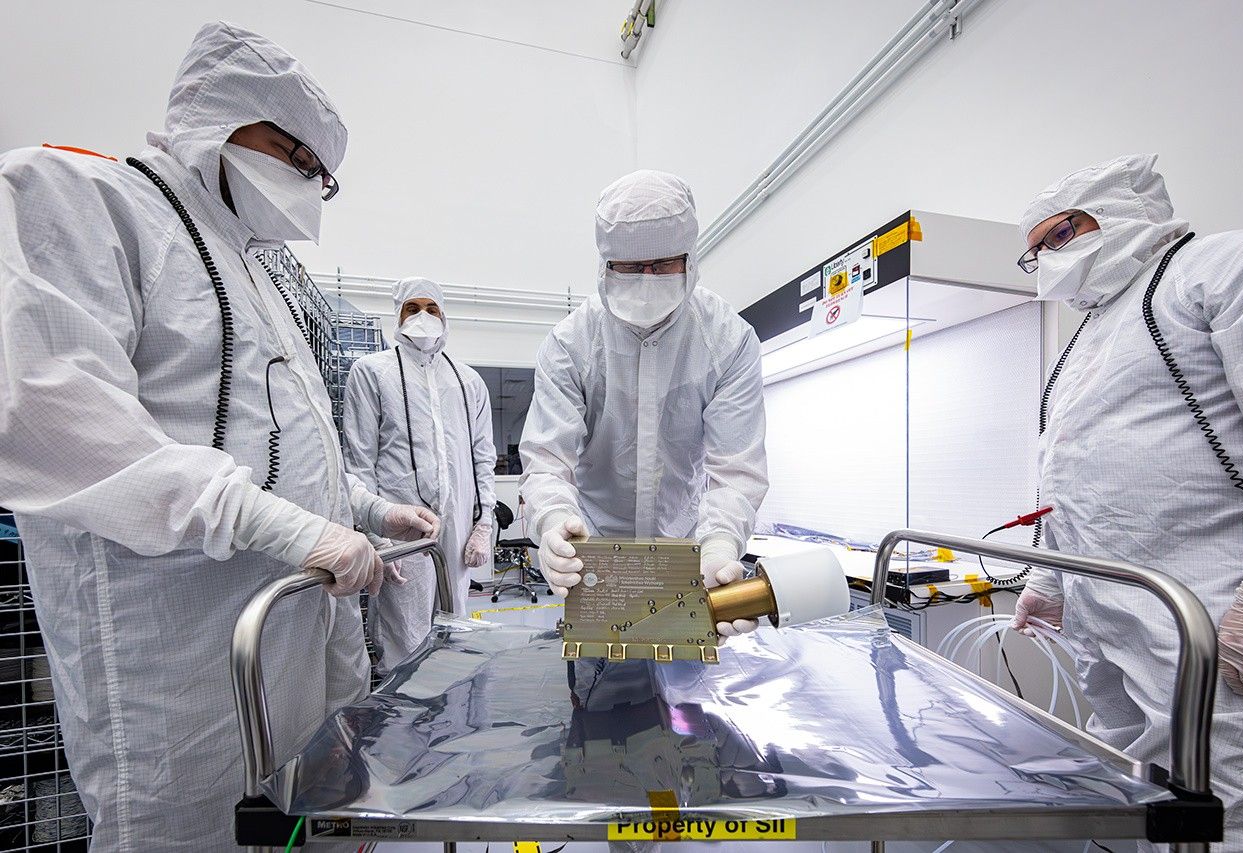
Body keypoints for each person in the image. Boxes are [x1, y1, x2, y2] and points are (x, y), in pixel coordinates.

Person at [0, 22, 437, 851]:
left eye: (322, 175)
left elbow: (287, 446)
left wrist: (371, 511)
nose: (308, 183)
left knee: (307, 817)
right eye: (297, 156)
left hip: (292, 640)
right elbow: (54, 419)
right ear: (223, 116)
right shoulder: (80, 198)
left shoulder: (254, 267)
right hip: (181, 669)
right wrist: (292, 531)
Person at [1010, 154, 1243, 851]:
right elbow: (1070, 470)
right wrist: (1049, 578)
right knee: (1136, 798)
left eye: (1058, 236)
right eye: (1032, 251)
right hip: (1111, 616)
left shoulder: (1229, 267)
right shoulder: (1093, 334)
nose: (1044, 260)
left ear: (1118, 210)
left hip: (1213, 615)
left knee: (1227, 811)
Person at [519, 169, 768, 639]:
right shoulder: (571, 344)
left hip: (687, 554)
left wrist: (719, 544)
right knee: (596, 692)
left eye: (662, 264)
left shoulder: (727, 340)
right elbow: (548, 461)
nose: (647, 279)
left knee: (684, 699)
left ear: (690, 259)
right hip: (593, 556)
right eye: (630, 267)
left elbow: (736, 470)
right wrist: (553, 521)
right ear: (605, 266)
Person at [343, 278, 497, 670]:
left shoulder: (467, 381)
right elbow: (359, 461)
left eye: (432, 309)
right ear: (397, 315)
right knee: (404, 635)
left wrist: (484, 524)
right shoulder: (372, 372)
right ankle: (405, 726)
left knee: (455, 625)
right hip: (401, 529)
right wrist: (376, 536)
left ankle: (455, 719)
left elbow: (483, 456)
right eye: (413, 308)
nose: (423, 317)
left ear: (445, 317)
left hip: (459, 527)